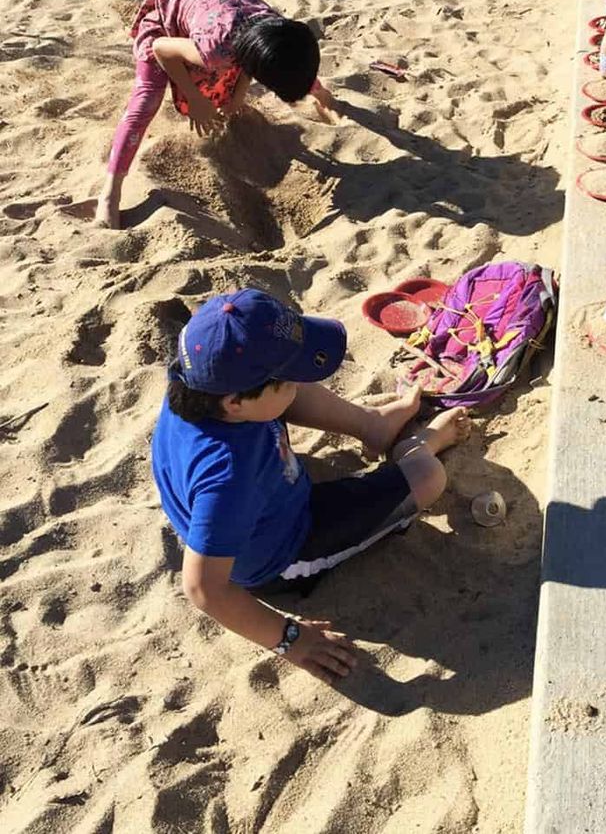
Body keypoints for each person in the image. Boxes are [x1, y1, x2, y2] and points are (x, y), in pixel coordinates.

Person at [152, 288, 471, 684]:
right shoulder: (228, 477)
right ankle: (416, 446)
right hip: (287, 551)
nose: (296, 384)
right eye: (287, 381)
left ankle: (372, 425)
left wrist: (285, 387)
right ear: (234, 403)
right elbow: (203, 587)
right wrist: (292, 640)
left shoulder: (199, 379)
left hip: (268, 481)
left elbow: (272, 391)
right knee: (428, 476)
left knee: (276, 392)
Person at [96, 0, 341, 228]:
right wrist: (195, 98)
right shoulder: (215, 50)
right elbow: (161, 48)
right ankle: (110, 192)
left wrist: (239, 96)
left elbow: (269, 62)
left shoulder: (277, 27)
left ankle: (323, 95)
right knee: (146, 100)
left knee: (288, 65)